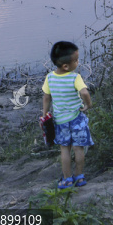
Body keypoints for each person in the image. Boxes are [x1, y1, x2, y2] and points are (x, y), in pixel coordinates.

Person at [42, 40, 93, 189]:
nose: (78, 62)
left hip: (60, 121)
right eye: (76, 60)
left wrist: (44, 113)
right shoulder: (75, 77)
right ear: (66, 66)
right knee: (78, 148)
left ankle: (67, 179)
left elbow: (46, 97)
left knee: (64, 149)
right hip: (77, 119)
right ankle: (79, 176)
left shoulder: (49, 78)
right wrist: (88, 104)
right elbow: (84, 92)